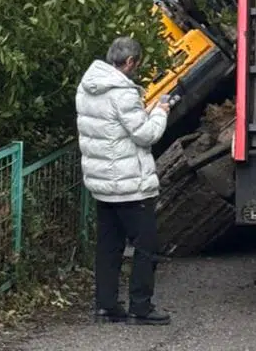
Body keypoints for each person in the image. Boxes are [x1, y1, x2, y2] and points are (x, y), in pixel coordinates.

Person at [75, 36, 171, 326]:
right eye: (136, 64)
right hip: (130, 187)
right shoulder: (123, 93)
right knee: (146, 246)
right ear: (129, 62)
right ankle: (140, 307)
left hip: (102, 185)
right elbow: (144, 135)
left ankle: (106, 305)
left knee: (108, 246)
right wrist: (160, 112)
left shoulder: (87, 87)